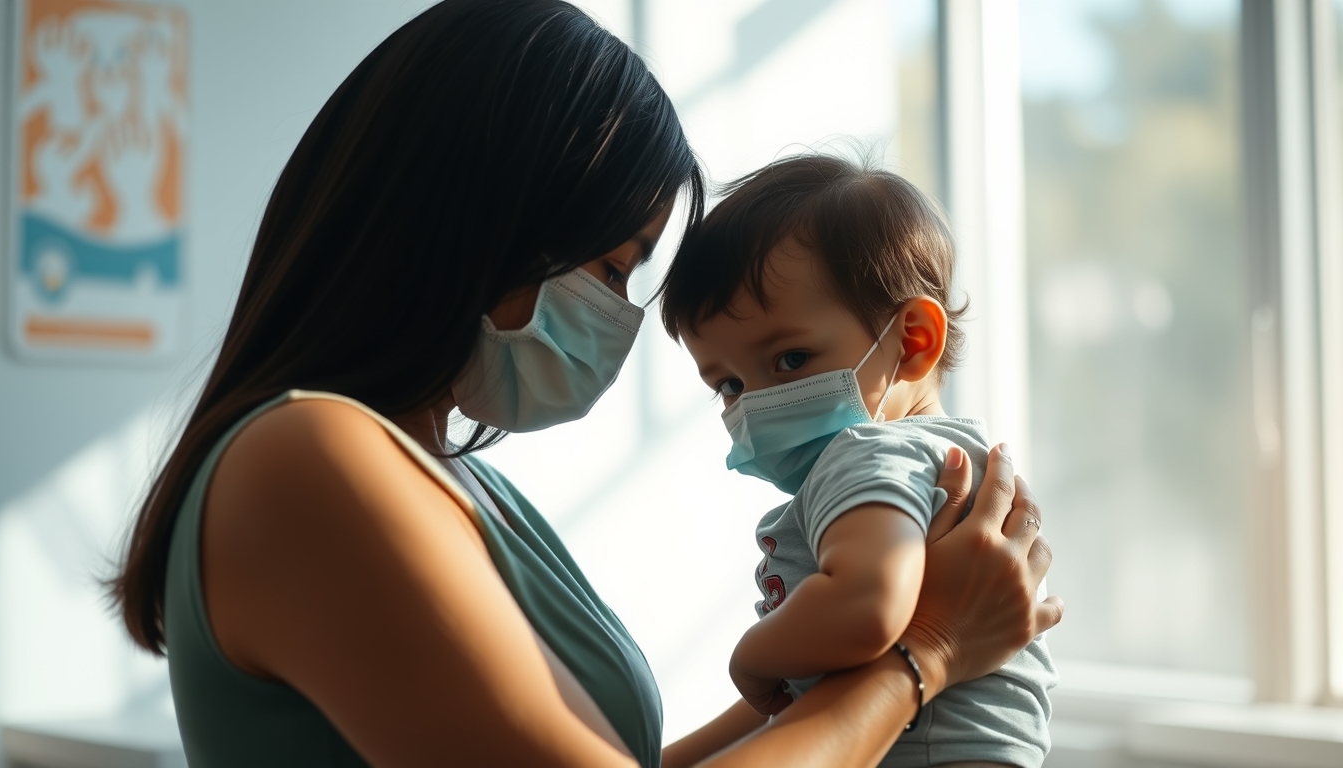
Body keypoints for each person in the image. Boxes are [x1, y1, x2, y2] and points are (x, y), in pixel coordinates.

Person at [109, 2, 1062, 766]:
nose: (621, 317)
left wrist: (855, 677)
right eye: (612, 270)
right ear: (483, 221)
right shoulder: (308, 461)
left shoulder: (452, 481)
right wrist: (926, 653)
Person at [660, 155, 1055, 768]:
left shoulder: (871, 452)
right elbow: (806, 699)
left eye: (790, 360)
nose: (757, 403)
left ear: (914, 340)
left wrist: (752, 654)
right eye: (730, 385)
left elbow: (869, 605)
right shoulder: (943, 454)